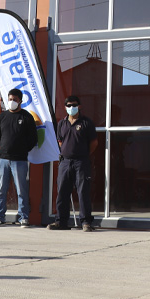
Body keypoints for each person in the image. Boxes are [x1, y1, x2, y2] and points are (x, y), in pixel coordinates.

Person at [48, 95, 98, 231]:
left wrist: (84, 154)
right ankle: (61, 221)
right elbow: (60, 142)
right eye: (68, 105)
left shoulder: (86, 122)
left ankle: (86, 222)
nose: (71, 108)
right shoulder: (62, 124)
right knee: (62, 192)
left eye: (74, 105)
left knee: (83, 192)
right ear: (65, 107)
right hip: (65, 162)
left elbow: (94, 143)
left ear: (79, 106)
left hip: (81, 162)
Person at [0, 89, 37, 226]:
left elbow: (33, 139)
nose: (12, 102)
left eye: (15, 99)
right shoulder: (2, 117)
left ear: (20, 101)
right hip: (3, 159)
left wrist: (21, 150)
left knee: (21, 190)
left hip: (20, 160)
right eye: (10, 99)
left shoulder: (27, 117)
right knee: (1, 191)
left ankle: (23, 218)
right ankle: (0, 217)